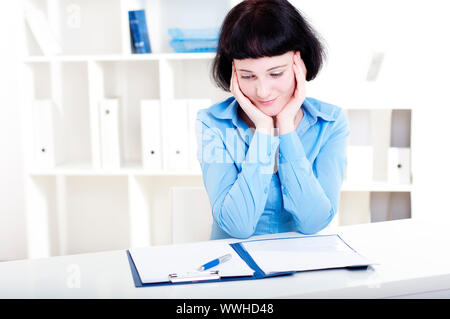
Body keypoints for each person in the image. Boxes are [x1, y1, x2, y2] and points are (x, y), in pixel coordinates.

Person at [196, 0, 349, 239]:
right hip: (236, 265)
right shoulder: (213, 123)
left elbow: (313, 222)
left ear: (299, 63)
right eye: (247, 76)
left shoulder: (329, 122)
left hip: (303, 268)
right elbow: (238, 226)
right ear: (233, 72)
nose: (263, 91)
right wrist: (264, 131)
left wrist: (286, 128)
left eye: (276, 73)